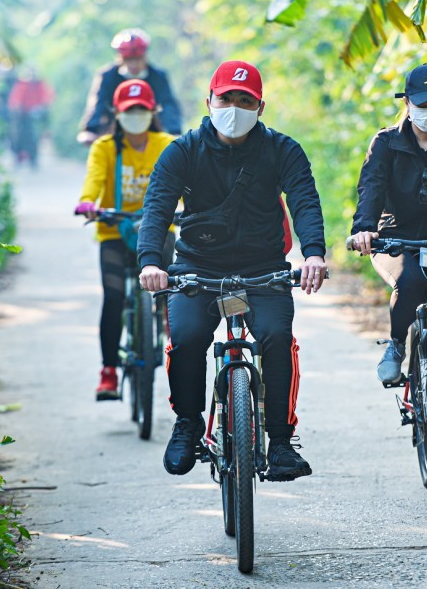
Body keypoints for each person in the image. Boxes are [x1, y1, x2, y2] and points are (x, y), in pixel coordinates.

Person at [137, 60, 327, 482]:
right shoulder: (182, 151)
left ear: (260, 107)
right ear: (209, 101)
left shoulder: (283, 150)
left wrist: (313, 253)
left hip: (263, 268)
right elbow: (157, 208)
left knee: (278, 339)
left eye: (246, 101)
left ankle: (279, 440)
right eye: (227, 98)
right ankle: (187, 423)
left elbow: (305, 202)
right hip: (196, 269)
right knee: (185, 340)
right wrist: (151, 261)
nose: (235, 108)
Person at [347, 64, 427, 384]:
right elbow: (372, 188)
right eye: (424, 106)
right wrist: (365, 228)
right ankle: (395, 344)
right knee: (411, 282)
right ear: (407, 103)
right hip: (395, 238)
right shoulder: (386, 143)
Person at [74, 79, 176, 401]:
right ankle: (108, 372)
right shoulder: (105, 147)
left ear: (152, 112)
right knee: (114, 296)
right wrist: (89, 204)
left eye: (141, 109)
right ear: (117, 113)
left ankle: (175, 341)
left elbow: (186, 181)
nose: (135, 114)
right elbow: (93, 181)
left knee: (171, 291)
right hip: (114, 229)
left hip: (159, 229)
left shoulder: (168, 144)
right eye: (129, 109)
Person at [77, 28, 183, 144]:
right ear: (120, 58)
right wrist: (90, 129)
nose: (134, 64)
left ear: (145, 56)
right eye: (128, 60)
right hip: (115, 131)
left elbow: (168, 104)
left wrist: (174, 130)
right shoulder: (107, 76)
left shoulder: (157, 76)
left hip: (149, 131)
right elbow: (99, 103)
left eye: (138, 59)